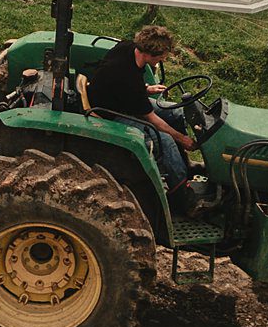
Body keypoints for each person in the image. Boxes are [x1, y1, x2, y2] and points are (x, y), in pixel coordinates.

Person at [85, 23, 205, 207]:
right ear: (149, 54)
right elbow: (151, 119)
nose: (164, 59)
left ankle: (182, 165)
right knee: (165, 140)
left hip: (121, 97)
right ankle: (181, 196)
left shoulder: (128, 48)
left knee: (175, 112)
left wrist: (146, 89)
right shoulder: (127, 76)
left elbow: (124, 85)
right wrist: (182, 139)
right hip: (110, 112)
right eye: (162, 56)